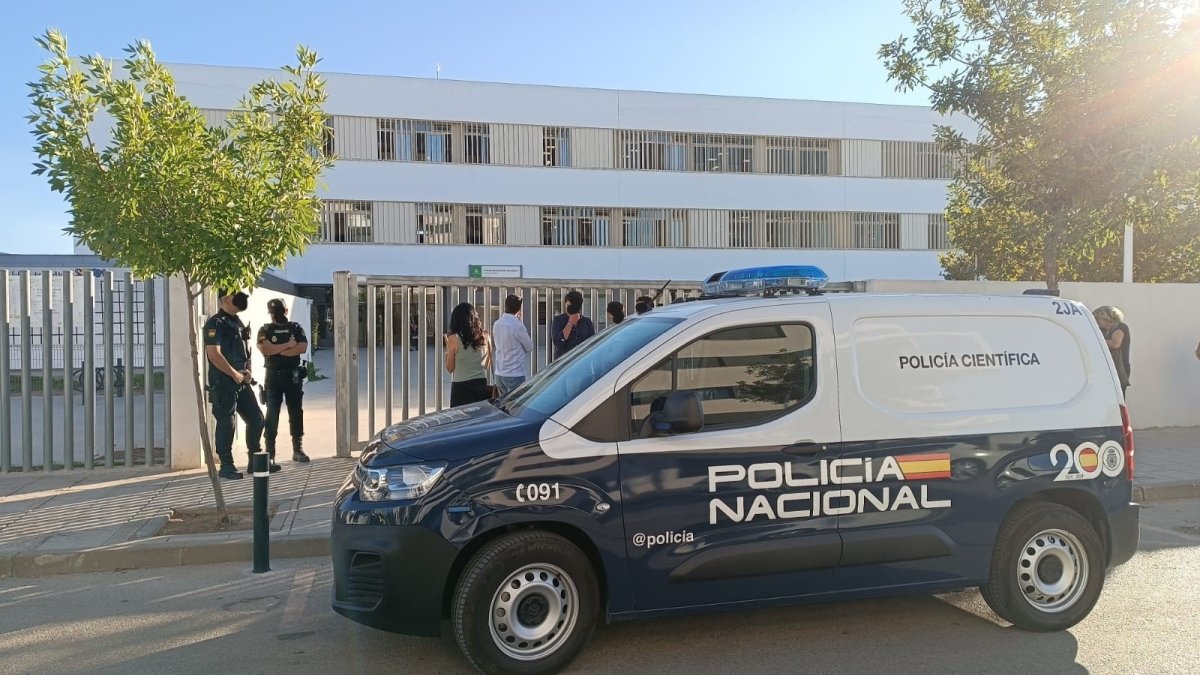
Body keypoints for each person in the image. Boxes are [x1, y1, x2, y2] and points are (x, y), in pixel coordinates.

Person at [204, 289, 270, 479]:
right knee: (227, 421)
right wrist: (234, 374)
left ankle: (255, 461)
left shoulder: (238, 323)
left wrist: (248, 371)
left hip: (241, 380)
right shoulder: (215, 323)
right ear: (225, 299)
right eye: (236, 296)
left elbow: (246, 351)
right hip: (224, 381)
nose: (241, 300)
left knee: (257, 419)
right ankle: (226, 465)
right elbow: (214, 355)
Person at [257, 298, 311, 465]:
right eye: (273, 312)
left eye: (278, 311)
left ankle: (298, 449)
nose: (276, 315)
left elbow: (302, 347)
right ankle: (270, 452)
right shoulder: (265, 329)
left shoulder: (295, 327)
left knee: (296, 412)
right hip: (273, 377)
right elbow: (264, 348)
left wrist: (276, 352)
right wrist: (287, 345)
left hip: (292, 376)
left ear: (285, 311)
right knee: (272, 414)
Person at [446, 302, 493, 406]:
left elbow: (450, 368)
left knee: (461, 420)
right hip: (481, 385)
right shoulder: (486, 336)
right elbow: (487, 365)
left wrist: (447, 353)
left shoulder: (453, 339)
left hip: (461, 388)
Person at [491, 294, 534, 396]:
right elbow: (529, 347)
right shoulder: (518, 325)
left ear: (505, 305)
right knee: (515, 407)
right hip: (515, 373)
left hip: (499, 372)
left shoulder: (497, 323)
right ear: (519, 308)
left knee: (503, 405)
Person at [1093, 305, 1131, 397]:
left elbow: (1115, 343)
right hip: (1107, 371)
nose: (1096, 321)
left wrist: (1095, 339)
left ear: (1107, 317)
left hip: (1118, 369)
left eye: (1098, 318)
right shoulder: (1103, 331)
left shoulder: (1120, 327)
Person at [551, 290, 596, 360]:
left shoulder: (587, 322)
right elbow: (558, 342)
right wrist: (570, 323)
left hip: (582, 360)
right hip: (563, 362)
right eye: (568, 305)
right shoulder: (558, 320)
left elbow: (592, 344)